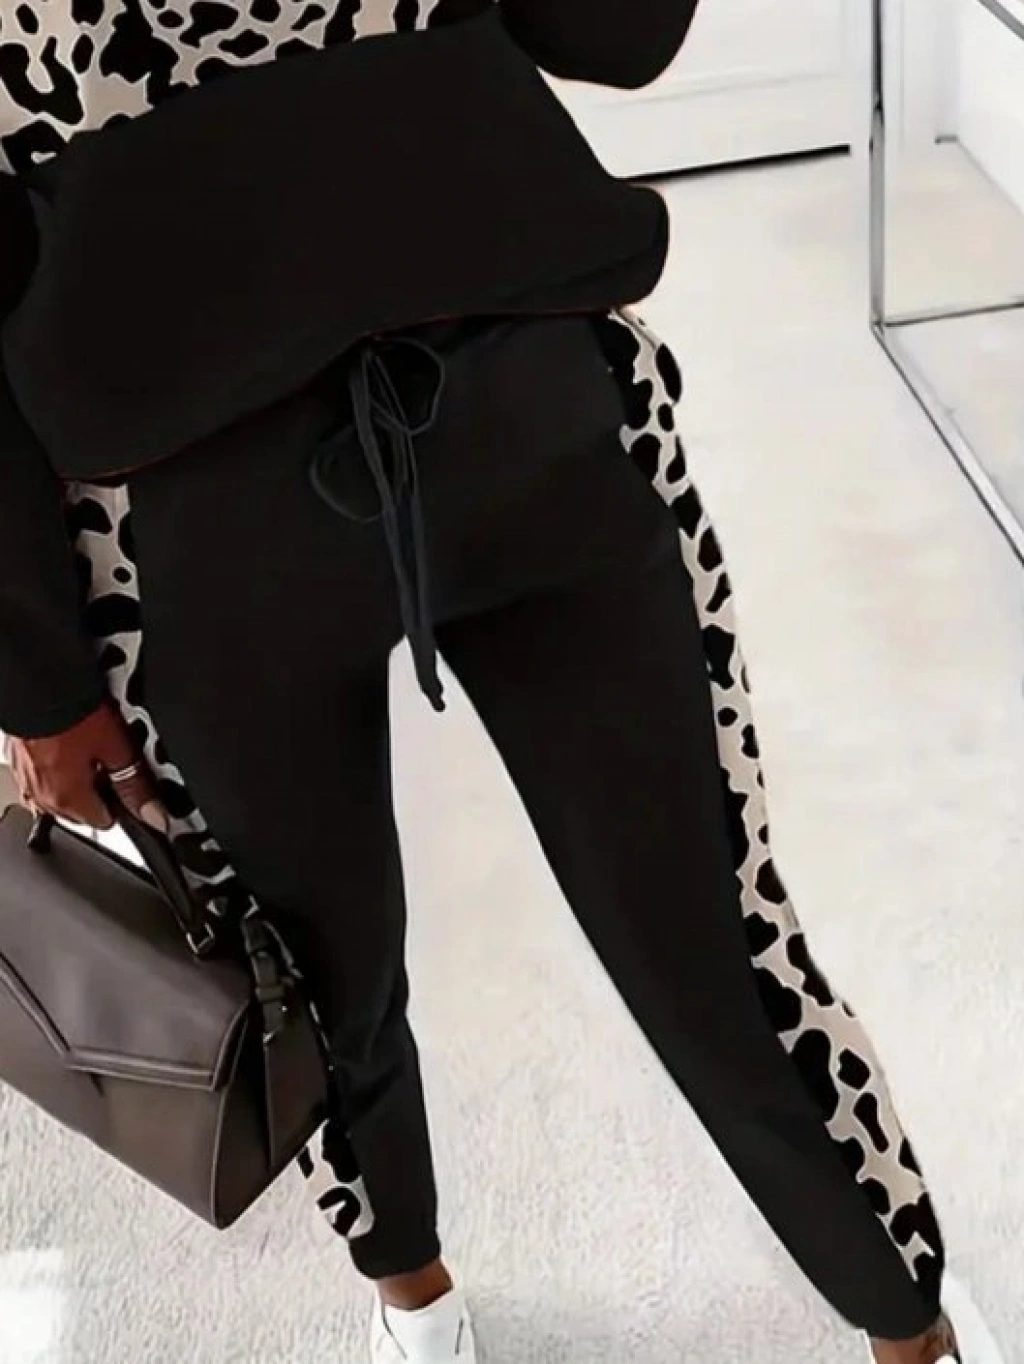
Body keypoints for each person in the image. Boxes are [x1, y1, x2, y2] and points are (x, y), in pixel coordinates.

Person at [0, 5, 1001, 1364]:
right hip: (194, 516)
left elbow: (615, 31)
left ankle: (903, 1323)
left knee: (701, 929)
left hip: (504, 412)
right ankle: (418, 1300)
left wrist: (40, 679)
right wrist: (37, 674)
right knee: (316, 986)